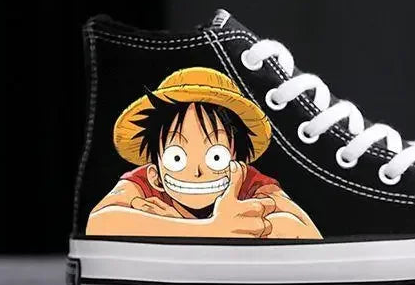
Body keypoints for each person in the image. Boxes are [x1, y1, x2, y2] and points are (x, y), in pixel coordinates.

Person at [86, 67, 321, 239]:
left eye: (216, 157)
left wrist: (167, 227)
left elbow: (306, 233)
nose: (197, 171)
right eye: (177, 158)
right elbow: (99, 222)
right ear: (154, 176)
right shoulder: (143, 183)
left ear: (237, 165)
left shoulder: (251, 184)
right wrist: (213, 230)